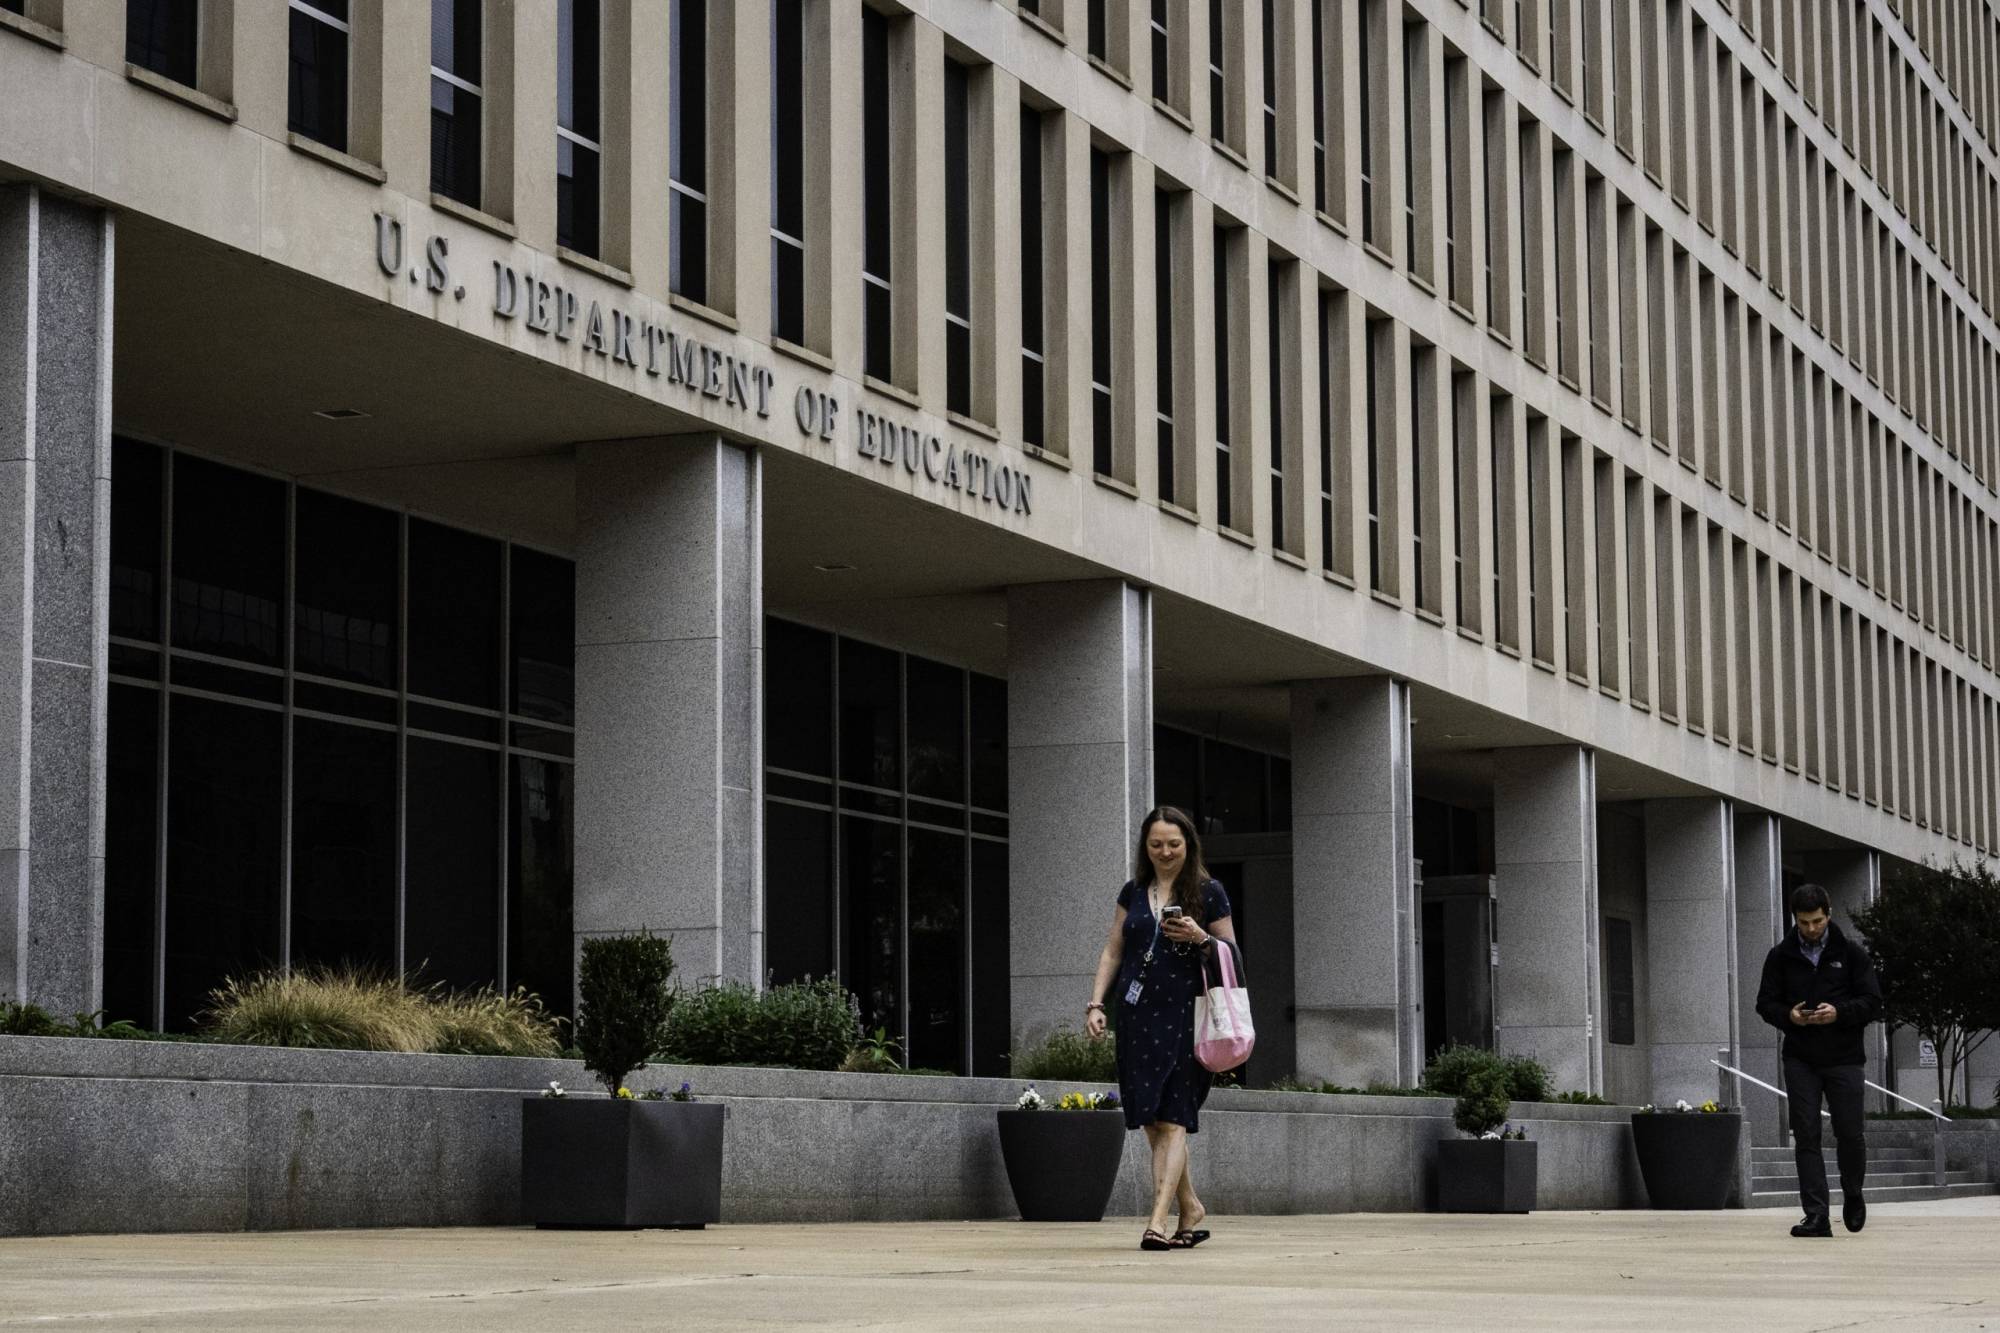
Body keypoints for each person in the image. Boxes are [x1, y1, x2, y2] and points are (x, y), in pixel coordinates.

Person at [1083, 805, 1240, 1252]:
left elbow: (1231, 954)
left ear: (1188, 845)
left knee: (1174, 1120)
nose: (1165, 852)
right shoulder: (1133, 891)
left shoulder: (1210, 893)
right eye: (1156, 845)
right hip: (1136, 1017)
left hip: (1187, 1018)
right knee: (1152, 1119)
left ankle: (1156, 1222)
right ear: (1145, 847)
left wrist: (1200, 938)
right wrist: (1097, 1003)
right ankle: (1190, 1207)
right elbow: (1113, 950)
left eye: (1174, 844)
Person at [1754, 881, 1884, 1238]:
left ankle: (1854, 1193)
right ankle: (1816, 1215)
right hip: (1801, 1058)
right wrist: (1789, 1016)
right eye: (1803, 922)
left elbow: (1873, 1002)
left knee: (1849, 1133)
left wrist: (1838, 1012)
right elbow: (1765, 1003)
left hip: (1844, 1059)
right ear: (1794, 919)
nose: (1811, 929)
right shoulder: (1780, 956)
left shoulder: (1852, 954)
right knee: (1806, 1135)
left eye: (1817, 921)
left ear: (1828, 915)